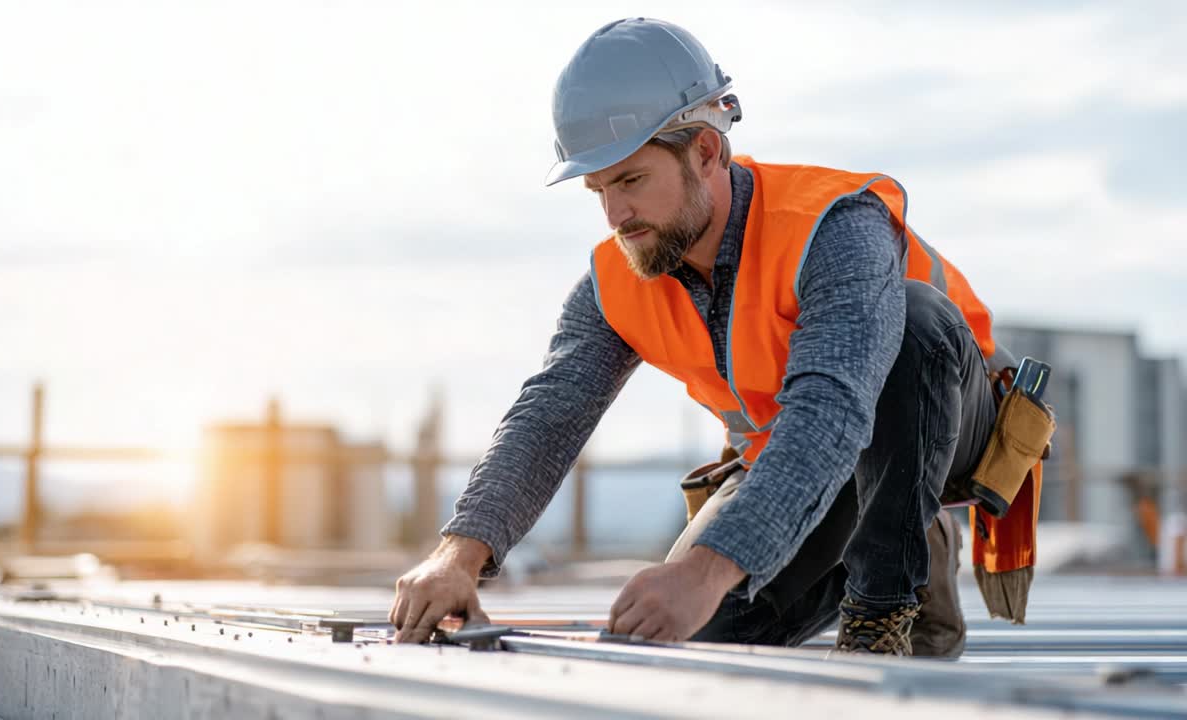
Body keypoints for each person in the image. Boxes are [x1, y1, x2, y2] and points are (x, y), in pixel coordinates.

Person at [390, 17, 1041, 656]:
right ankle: (882, 551)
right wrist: (458, 555)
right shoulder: (620, 274)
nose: (616, 215)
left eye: (631, 180)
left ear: (705, 151)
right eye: (598, 190)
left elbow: (832, 410)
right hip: (790, 460)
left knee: (914, 319)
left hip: (942, 421)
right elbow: (548, 415)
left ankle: (889, 604)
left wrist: (708, 568)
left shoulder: (838, 225)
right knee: (691, 627)